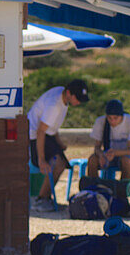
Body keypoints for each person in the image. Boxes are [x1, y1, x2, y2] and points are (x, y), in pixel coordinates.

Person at [28, 78, 89, 211]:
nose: (78, 102)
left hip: (46, 135)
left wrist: (59, 142)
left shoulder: (61, 94)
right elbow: (40, 131)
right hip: (34, 136)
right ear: (68, 93)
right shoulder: (54, 105)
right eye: (77, 98)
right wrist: (41, 159)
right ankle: (41, 199)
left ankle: (45, 197)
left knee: (61, 163)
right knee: (57, 164)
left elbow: (51, 127)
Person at [86, 99, 130, 181]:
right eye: (109, 118)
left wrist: (114, 153)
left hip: (129, 156)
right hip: (108, 156)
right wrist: (101, 155)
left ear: (122, 116)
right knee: (92, 160)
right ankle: (95, 187)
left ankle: (122, 189)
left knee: (125, 161)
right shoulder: (101, 122)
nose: (112, 121)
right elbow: (97, 147)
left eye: (116, 118)